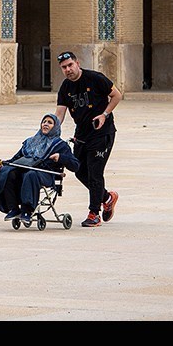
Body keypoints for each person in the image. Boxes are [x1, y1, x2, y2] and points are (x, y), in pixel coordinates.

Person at [54, 51, 122, 228]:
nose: (68, 69)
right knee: (79, 171)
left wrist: (104, 114)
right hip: (82, 136)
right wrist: (50, 131)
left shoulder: (95, 78)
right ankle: (107, 197)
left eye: (70, 65)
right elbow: (60, 113)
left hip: (102, 133)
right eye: (64, 67)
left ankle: (94, 214)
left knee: (95, 172)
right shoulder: (65, 88)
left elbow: (117, 95)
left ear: (77, 63)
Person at [0, 113, 79, 224]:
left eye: (50, 122)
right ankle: (13, 208)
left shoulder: (60, 145)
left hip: (45, 174)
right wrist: (4, 164)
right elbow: (16, 159)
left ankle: (27, 210)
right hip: (25, 171)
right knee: (7, 172)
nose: (46, 124)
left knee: (31, 174)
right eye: (44, 122)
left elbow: (75, 165)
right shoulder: (30, 142)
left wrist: (60, 157)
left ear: (56, 127)